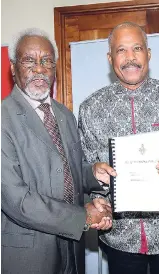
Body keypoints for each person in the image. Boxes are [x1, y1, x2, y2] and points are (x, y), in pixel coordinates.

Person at [1, 28, 116, 274]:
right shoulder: (3, 119)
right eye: (29, 61)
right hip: (30, 256)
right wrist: (82, 217)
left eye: (47, 61)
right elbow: (17, 200)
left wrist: (92, 178)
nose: (39, 69)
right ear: (13, 68)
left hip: (72, 249)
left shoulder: (64, 114)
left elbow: (67, 172)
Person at [78, 22, 159, 274]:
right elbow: (83, 170)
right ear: (110, 58)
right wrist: (97, 201)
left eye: (137, 48)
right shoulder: (91, 108)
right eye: (121, 50)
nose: (130, 58)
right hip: (120, 238)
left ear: (148, 54)